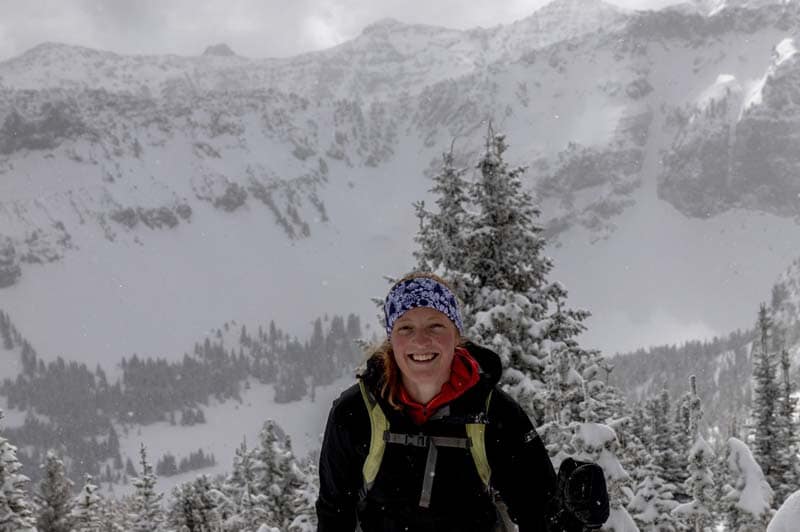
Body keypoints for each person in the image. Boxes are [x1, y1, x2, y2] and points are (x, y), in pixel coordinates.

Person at [316, 273, 558, 531]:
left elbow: (541, 513)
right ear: (391, 338)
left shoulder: (493, 413)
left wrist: (574, 514)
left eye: (435, 326)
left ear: (456, 336)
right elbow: (334, 514)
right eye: (405, 327)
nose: (420, 341)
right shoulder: (356, 413)